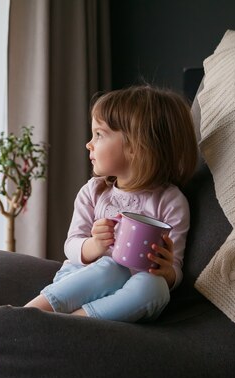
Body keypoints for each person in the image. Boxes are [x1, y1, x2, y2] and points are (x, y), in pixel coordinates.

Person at [25, 85, 198, 322]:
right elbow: (71, 245)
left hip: (123, 300)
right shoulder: (94, 192)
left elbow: (175, 266)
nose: (89, 143)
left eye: (99, 134)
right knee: (112, 267)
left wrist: (167, 272)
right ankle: (28, 315)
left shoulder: (171, 202)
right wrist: (94, 245)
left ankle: (72, 325)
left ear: (136, 147)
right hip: (79, 280)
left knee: (156, 288)